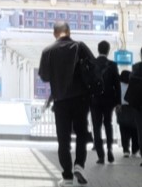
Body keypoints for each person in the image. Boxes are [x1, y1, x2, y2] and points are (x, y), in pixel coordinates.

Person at [38, 21, 94, 186]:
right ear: (69, 32)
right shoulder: (80, 47)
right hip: (81, 99)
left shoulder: (47, 51)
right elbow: (94, 66)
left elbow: (45, 76)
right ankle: (79, 165)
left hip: (60, 100)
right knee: (81, 135)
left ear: (55, 34)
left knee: (63, 139)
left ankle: (67, 176)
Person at [89, 41, 120, 164]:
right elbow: (117, 85)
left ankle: (100, 155)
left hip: (95, 100)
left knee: (96, 126)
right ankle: (110, 149)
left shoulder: (92, 64)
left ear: (98, 49)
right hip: (109, 100)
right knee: (108, 124)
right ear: (108, 51)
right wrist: (118, 103)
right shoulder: (112, 65)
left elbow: (88, 83)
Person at [117, 70, 139, 158]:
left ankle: (126, 150)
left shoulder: (118, 86)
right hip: (133, 109)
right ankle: (135, 150)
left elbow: (116, 98)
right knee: (134, 131)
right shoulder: (134, 86)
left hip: (122, 109)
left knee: (123, 130)